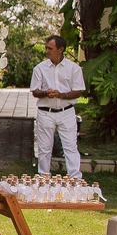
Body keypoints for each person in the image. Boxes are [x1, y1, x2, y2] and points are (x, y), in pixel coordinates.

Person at [30, 35, 85, 176]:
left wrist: (62, 95)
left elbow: (78, 91)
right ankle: (43, 178)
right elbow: (35, 91)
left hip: (66, 112)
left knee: (71, 147)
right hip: (45, 112)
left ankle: (75, 180)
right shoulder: (40, 68)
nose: (47, 51)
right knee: (44, 148)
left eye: (50, 48)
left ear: (61, 49)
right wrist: (45, 93)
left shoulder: (74, 69)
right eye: (46, 48)